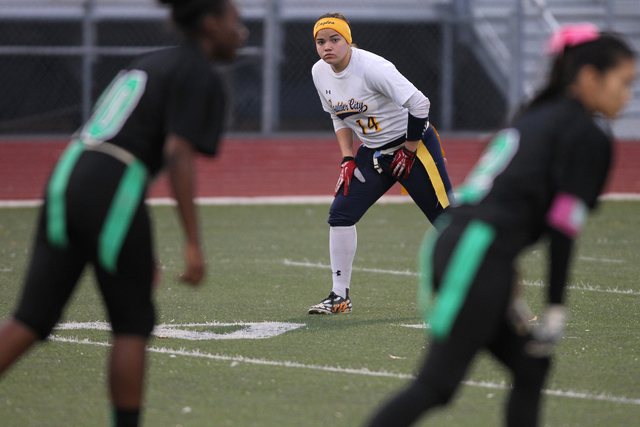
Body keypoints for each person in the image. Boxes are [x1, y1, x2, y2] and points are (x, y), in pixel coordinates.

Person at [364, 23, 636, 427]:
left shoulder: (537, 115)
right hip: (475, 255)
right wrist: (556, 308)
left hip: (467, 248)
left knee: (530, 368)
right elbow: (563, 227)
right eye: (624, 82)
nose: (627, 96)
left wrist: (504, 272)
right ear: (589, 77)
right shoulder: (586, 134)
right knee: (436, 386)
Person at [0, 1, 247, 426]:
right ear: (210, 24)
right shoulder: (197, 72)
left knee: (32, 316)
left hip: (68, 173)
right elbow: (177, 154)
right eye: (235, 21)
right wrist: (192, 242)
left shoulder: (148, 61)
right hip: (113, 185)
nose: (241, 32)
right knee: (132, 323)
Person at [308, 13, 453, 314]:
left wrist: (410, 151)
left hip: (413, 148)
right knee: (341, 213)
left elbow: (421, 104)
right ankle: (339, 297)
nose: (327, 47)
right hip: (374, 152)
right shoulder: (320, 72)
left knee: (448, 221)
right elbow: (338, 114)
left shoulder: (373, 68)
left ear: (348, 41)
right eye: (321, 42)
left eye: (335, 39)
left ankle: (484, 291)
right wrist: (348, 156)